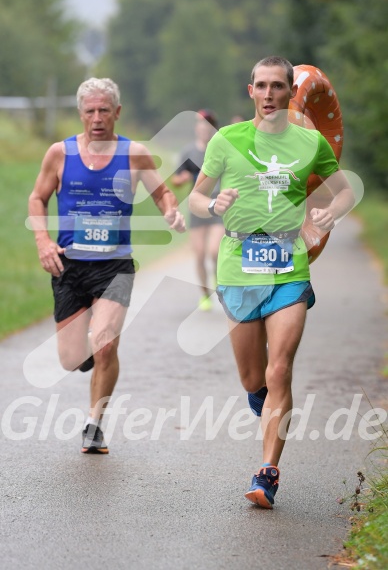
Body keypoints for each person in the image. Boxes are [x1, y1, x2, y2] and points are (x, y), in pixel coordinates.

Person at [189, 56, 355, 508]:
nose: (268, 95)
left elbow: (344, 190)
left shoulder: (310, 141)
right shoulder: (227, 140)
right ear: (250, 92)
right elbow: (197, 195)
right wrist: (212, 203)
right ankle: (262, 398)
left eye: (277, 86)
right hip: (239, 266)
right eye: (260, 86)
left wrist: (329, 212)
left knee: (279, 368)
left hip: (288, 267)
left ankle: (267, 473)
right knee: (252, 377)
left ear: (289, 91)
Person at [28, 77, 185, 454]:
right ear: (80, 114)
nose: (97, 117)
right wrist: (43, 241)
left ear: (117, 112)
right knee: (70, 359)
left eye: (104, 110)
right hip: (69, 267)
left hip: (114, 266)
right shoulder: (59, 153)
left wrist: (171, 211)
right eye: (89, 111)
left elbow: (161, 191)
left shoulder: (133, 154)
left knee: (105, 346)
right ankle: (88, 361)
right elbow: (38, 197)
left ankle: (94, 424)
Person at [171, 109, 224, 311]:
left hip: (217, 204)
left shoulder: (220, 149)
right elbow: (176, 179)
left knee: (214, 251)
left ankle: (220, 283)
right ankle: (204, 295)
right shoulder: (188, 152)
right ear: (196, 127)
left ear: (212, 128)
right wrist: (182, 179)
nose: (203, 127)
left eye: (207, 124)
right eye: (200, 123)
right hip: (197, 206)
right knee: (200, 254)